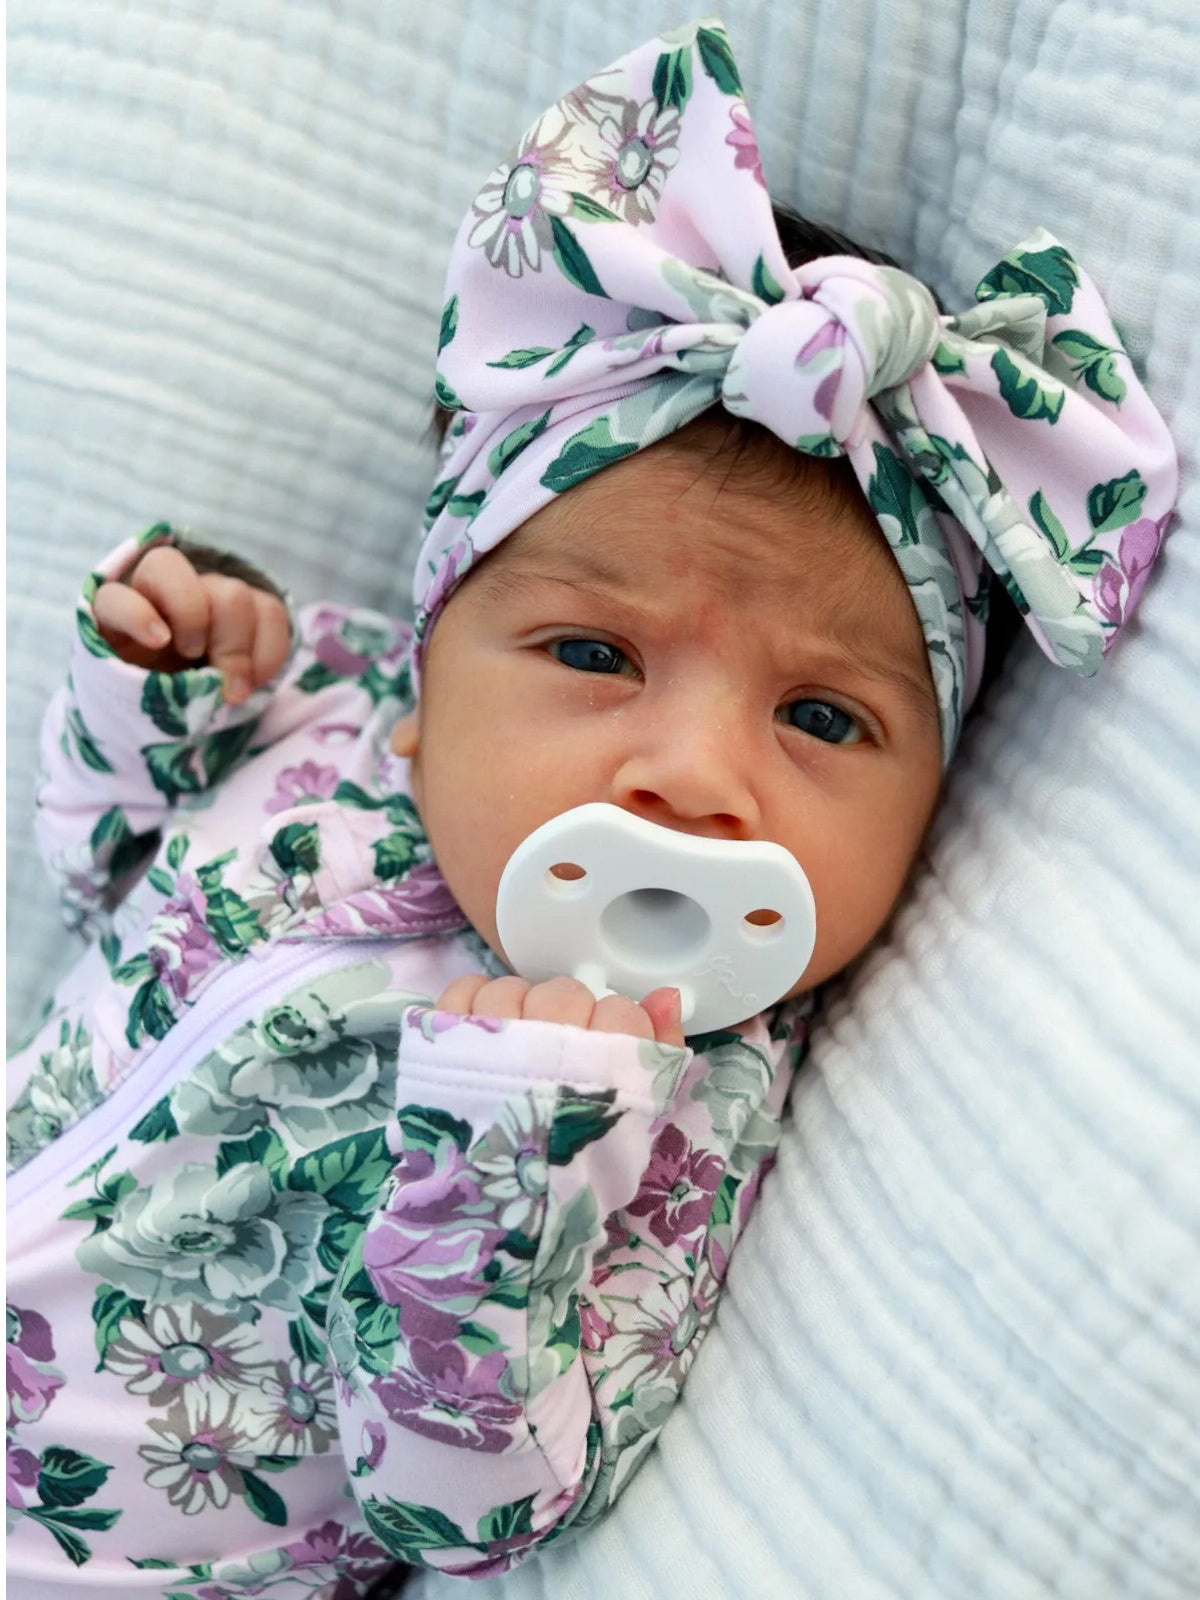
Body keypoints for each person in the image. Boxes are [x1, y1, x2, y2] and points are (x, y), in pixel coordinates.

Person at [5, 20, 1177, 1600]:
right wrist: (158, 689)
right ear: (436, 649)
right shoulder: (342, 723)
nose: (693, 775)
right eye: (593, 653)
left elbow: (465, 1517)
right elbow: (97, 874)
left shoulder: (680, 1116)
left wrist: (511, 1155)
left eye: (823, 717)